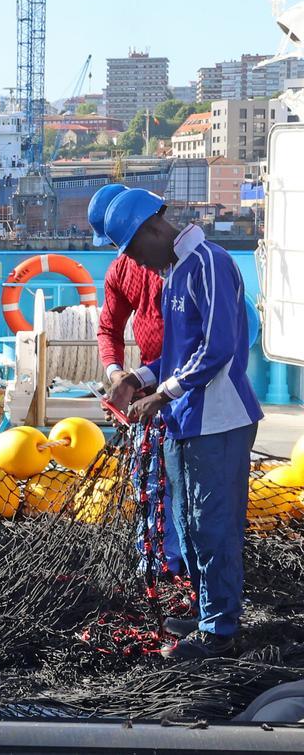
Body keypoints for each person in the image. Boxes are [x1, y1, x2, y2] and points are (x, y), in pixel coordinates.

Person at [103, 188, 263, 660]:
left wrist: (160, 395)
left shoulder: (209, 263)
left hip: (221, 420)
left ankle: (220, 629)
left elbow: (217, 349)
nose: (134, 261)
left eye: (132, 249)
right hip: (186, 420)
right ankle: (205, 608)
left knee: (214, 525)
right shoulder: (173, 272)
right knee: (187, 523)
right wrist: (137, 376)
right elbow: (174, 355)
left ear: (153, 228)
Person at [88, 184, 181, 576]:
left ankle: (177, 565)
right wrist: (115, 375)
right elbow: (107, 328)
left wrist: (139, 377)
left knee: (182, 483)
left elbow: (189, 345)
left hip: (182, 383)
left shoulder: (177, 266)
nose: (124, 253)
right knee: (147, 477)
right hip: (145, 384)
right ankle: (155, 562)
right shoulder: (122, 269)